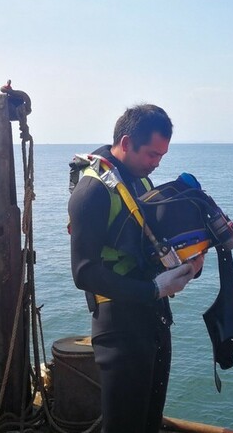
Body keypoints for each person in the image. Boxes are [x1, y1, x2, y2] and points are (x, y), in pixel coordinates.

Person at [69, 104, 204, 433]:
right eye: (151, 154)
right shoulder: (92, 192)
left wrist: (190, 262)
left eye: (161, 156)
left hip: (152, 319)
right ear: (126, 142)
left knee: (148, 423)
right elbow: (83, 272)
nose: (156, 163)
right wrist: (155, 288)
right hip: (118, 327)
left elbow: (152, 242)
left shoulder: (139, 180)